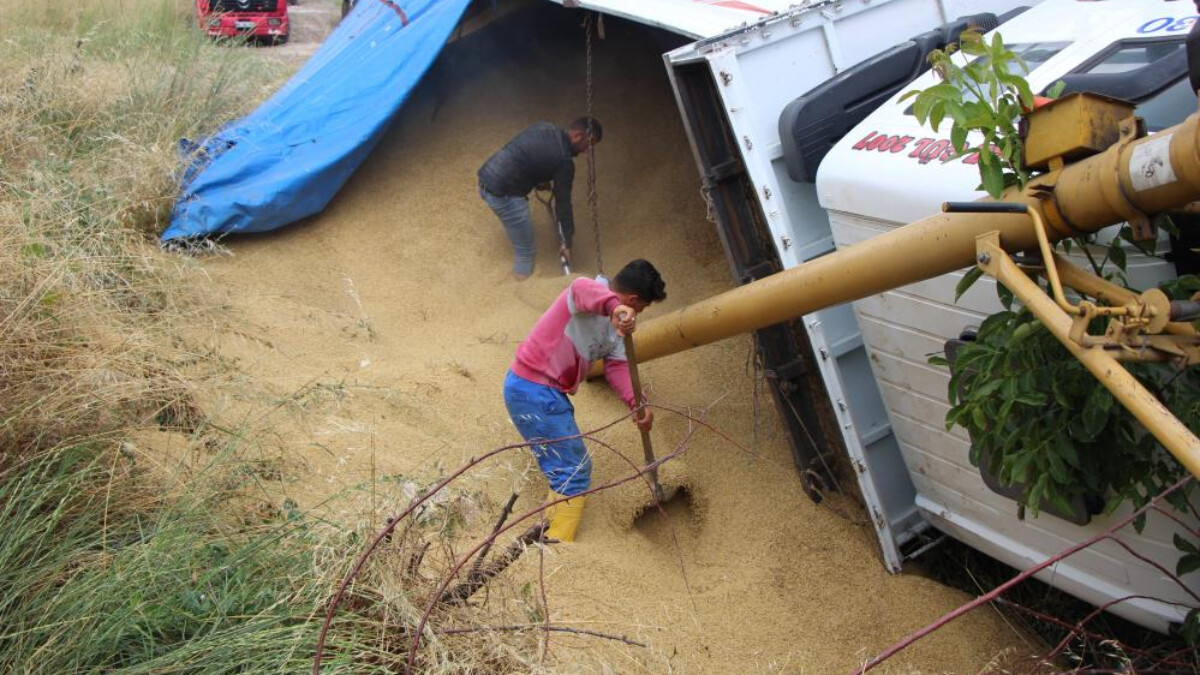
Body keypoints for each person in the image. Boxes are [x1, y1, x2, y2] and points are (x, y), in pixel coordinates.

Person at [503, 260, 667, 541]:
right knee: (573, 472)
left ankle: (547, 535)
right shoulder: (589, 292)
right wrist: (616, 309)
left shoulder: (619, 330)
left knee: (567, 470)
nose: (638, 314)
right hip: (532, 389)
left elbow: (618, 368)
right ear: (632, 300)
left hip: (548, 395)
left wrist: (638, 404)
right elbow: (580, 290)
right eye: (641, 308)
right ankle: (557, 546)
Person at [478, 117, 603, 280]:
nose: (587, 151)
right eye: (589, 143)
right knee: (525, 251)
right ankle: (522, 285)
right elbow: (563, 205)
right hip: (503, 196)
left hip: (486, 176)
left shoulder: (545, 127)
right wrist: (566, 243)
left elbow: (527, 154)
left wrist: (540, 179)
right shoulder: (565, 163)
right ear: (578, 136)